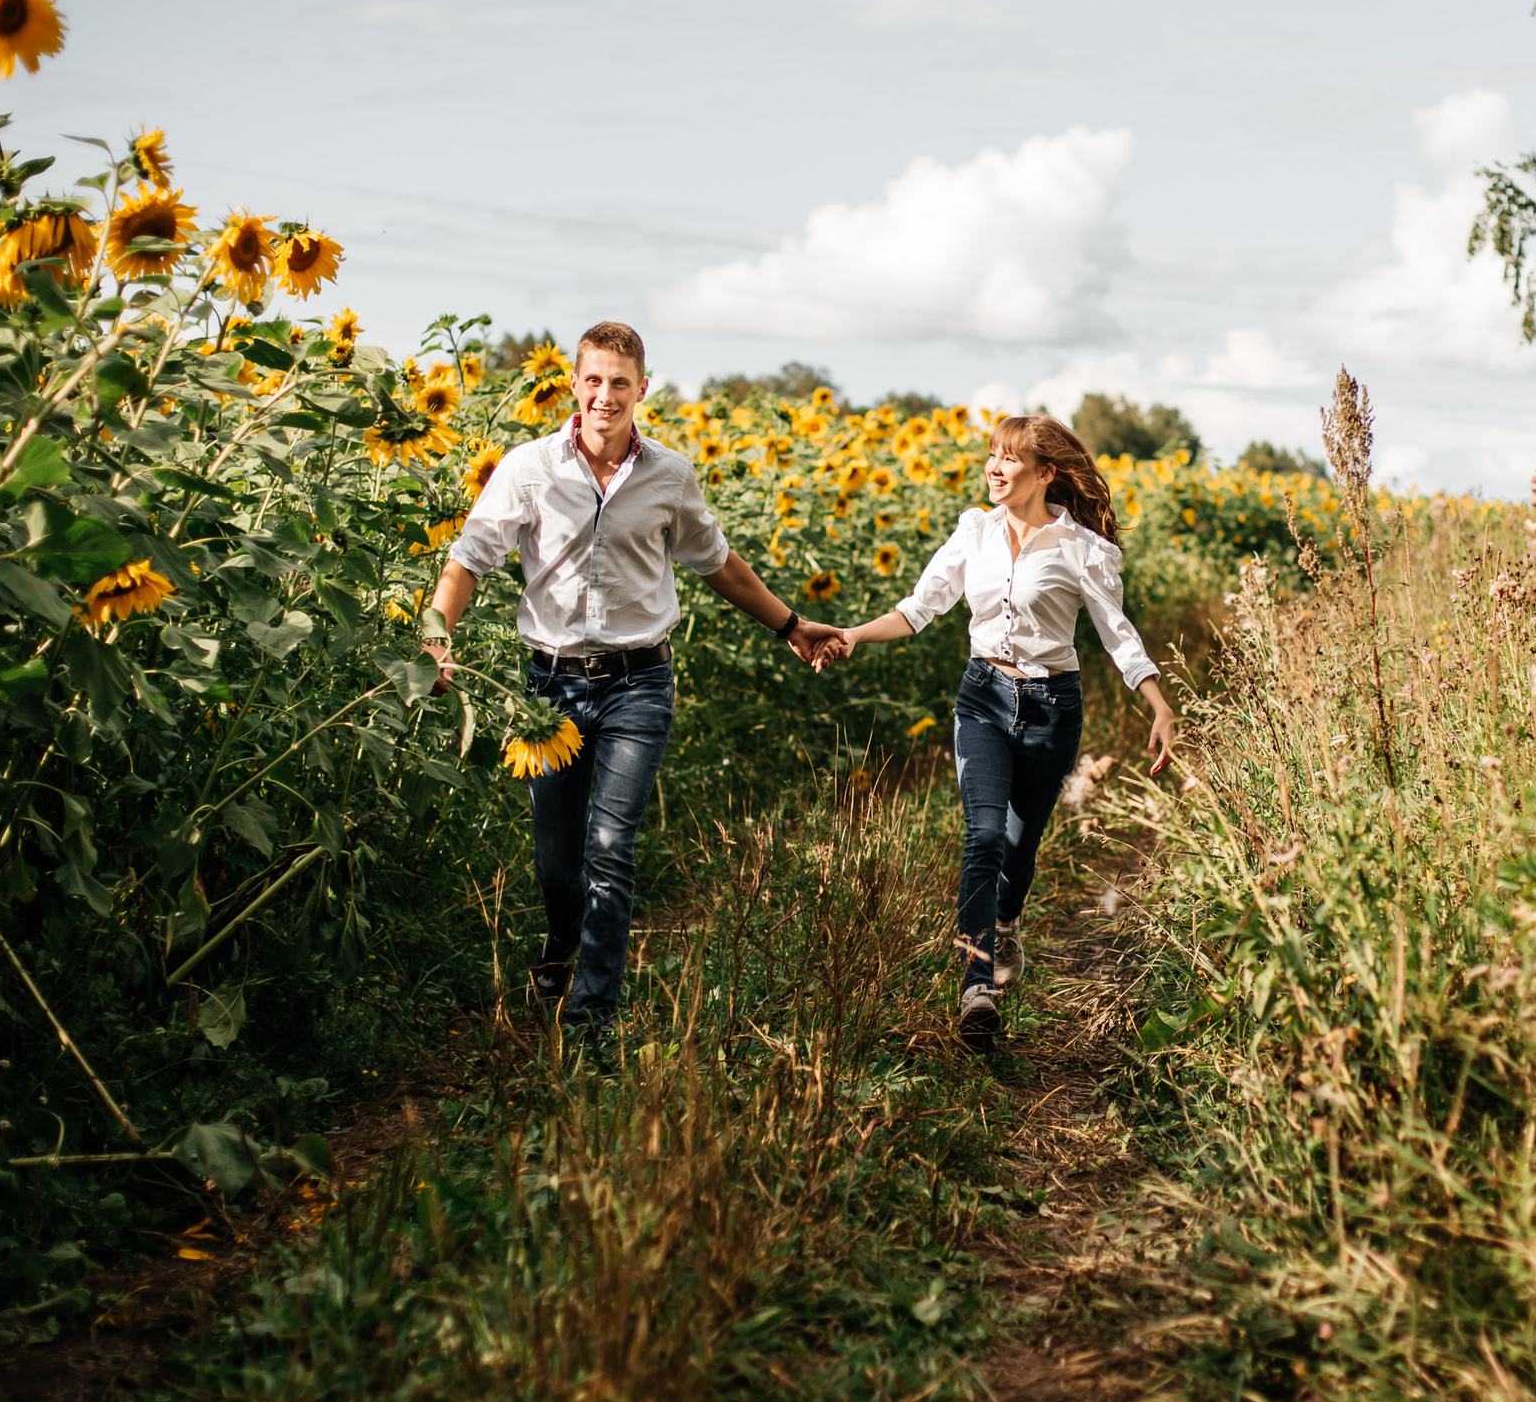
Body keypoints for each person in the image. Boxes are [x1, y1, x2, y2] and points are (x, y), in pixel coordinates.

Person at [423, 322, 846, 1052]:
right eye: (593, 380)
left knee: (611, 845)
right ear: (573, 384)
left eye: (620, 382)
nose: (605, 395)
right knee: (557, 861)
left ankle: (592, 1021)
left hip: (637, 684)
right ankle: (564, 940)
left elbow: (718, 564)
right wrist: (437, 636)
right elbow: (467, 560)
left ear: (642, 389)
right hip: (549, 689)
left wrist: (791, 625)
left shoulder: (669, 475)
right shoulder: (528, 468)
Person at [832, 414, 1174, 1051]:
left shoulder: (1083, 549)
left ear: (1045, 473)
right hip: (983, 698)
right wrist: (853, 635)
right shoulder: (975, 531)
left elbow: (1117, 633)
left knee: (1019, 846)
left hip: (1052, 709)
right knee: (983, 836)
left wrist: (1158, 703)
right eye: (992, 454)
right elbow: (920, 607)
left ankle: (1007, 922)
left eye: (1010, 458)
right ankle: (976, 984)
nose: (994, 467)